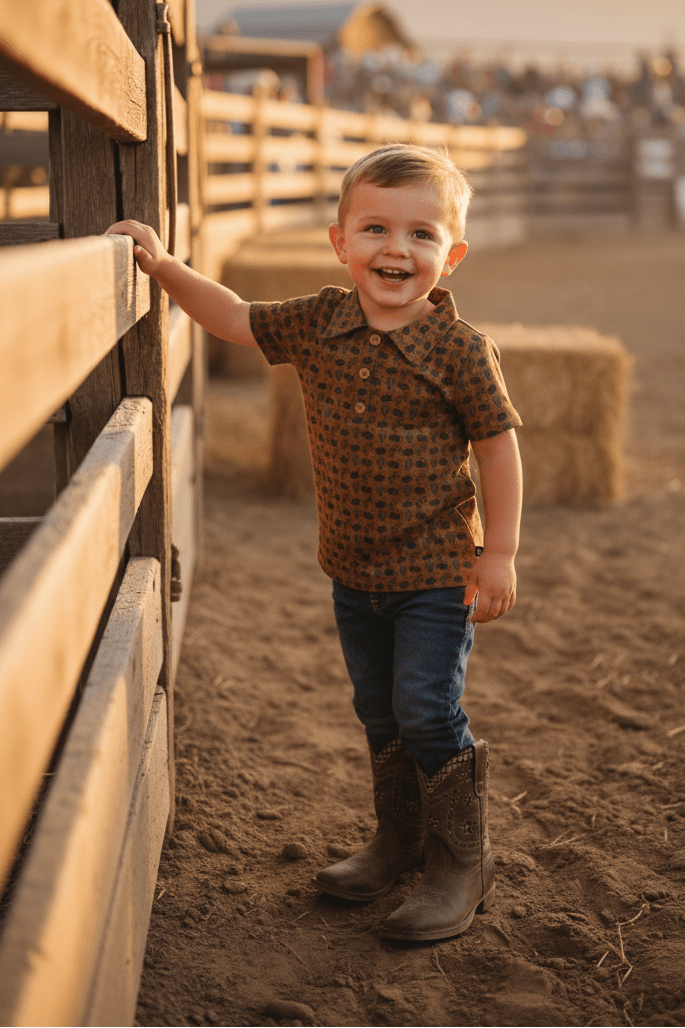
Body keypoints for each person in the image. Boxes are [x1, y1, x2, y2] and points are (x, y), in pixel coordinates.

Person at [107, 143, 523, 943]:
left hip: (437, 569)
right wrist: (165, 269)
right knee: (377, 709)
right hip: (352, 566)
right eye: (374, 228)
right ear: (339, 241)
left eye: (420, 236)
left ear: (452, 253)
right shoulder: (321, 319)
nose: (395, 250)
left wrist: (497, 552)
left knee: (426, 708)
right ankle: (397, 841)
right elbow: (231, 317)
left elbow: (499, 448)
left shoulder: (460, 350)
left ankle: (460, 863)